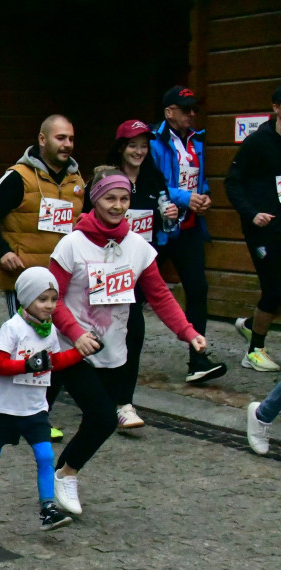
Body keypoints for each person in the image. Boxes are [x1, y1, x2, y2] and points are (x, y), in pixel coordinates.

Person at [46, 167, 207, 515]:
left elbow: (160, 295)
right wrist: (76, 333)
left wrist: (188, 332)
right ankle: (65, 475)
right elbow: (52, 299)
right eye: (110, 198)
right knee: (104, 417)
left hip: (113, 350)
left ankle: (60, 472)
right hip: (71, 348)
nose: (118, 206)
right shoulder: (72, 244)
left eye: (123, 199)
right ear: (95, 200)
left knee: (97, 421)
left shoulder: (137, 247)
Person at [0, 267, 83, 530]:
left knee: (45, 456)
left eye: (53, 299)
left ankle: (48, 509)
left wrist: (81, 352)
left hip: (35, 408)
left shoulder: (50, 330)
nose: (49, 305)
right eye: (42, 299)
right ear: (26, 299)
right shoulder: (12, 328)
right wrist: (27, 365)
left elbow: (54, 362)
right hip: (4, 408)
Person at [82, 120, 179, 428]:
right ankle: (96, 396)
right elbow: (85, 218)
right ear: (121, 147)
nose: (139, 151)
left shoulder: (154, 177)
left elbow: (166, 225)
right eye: (133, 145)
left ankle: (124, 402)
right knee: (100, 332)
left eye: (144, 146)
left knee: (134, 332)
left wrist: (171, 217)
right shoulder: (106, 177)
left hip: (139, 268)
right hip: (106, 267)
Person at [149, 85, 227, 384]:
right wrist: (184, 198)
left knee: (197, 289)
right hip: (160, 228)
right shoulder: (153, 141)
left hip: (189, 228)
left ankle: (198, 359)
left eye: (194, 109)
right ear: (169, 112)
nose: (192, 114)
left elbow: (198, 179)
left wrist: (205, 197)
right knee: (138, 291)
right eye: (185, 110)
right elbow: (154, 183)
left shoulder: (196, 140)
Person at [0, 115, 84, 318]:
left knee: (60, 337)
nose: (67, 144)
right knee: (26, 337)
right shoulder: (18, 177)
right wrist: (3, 252)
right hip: (24, 278)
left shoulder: (76, 180)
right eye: (60, 138)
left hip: (63, 280)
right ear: (42, 139)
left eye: (71, 139)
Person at [225, 85, 281, 373]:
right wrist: (252, 214)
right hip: (262, 229)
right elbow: (232, 182)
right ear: (276, 108)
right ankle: (254, 351)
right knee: (274, 287)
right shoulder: (258, 142)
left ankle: (250, 325)